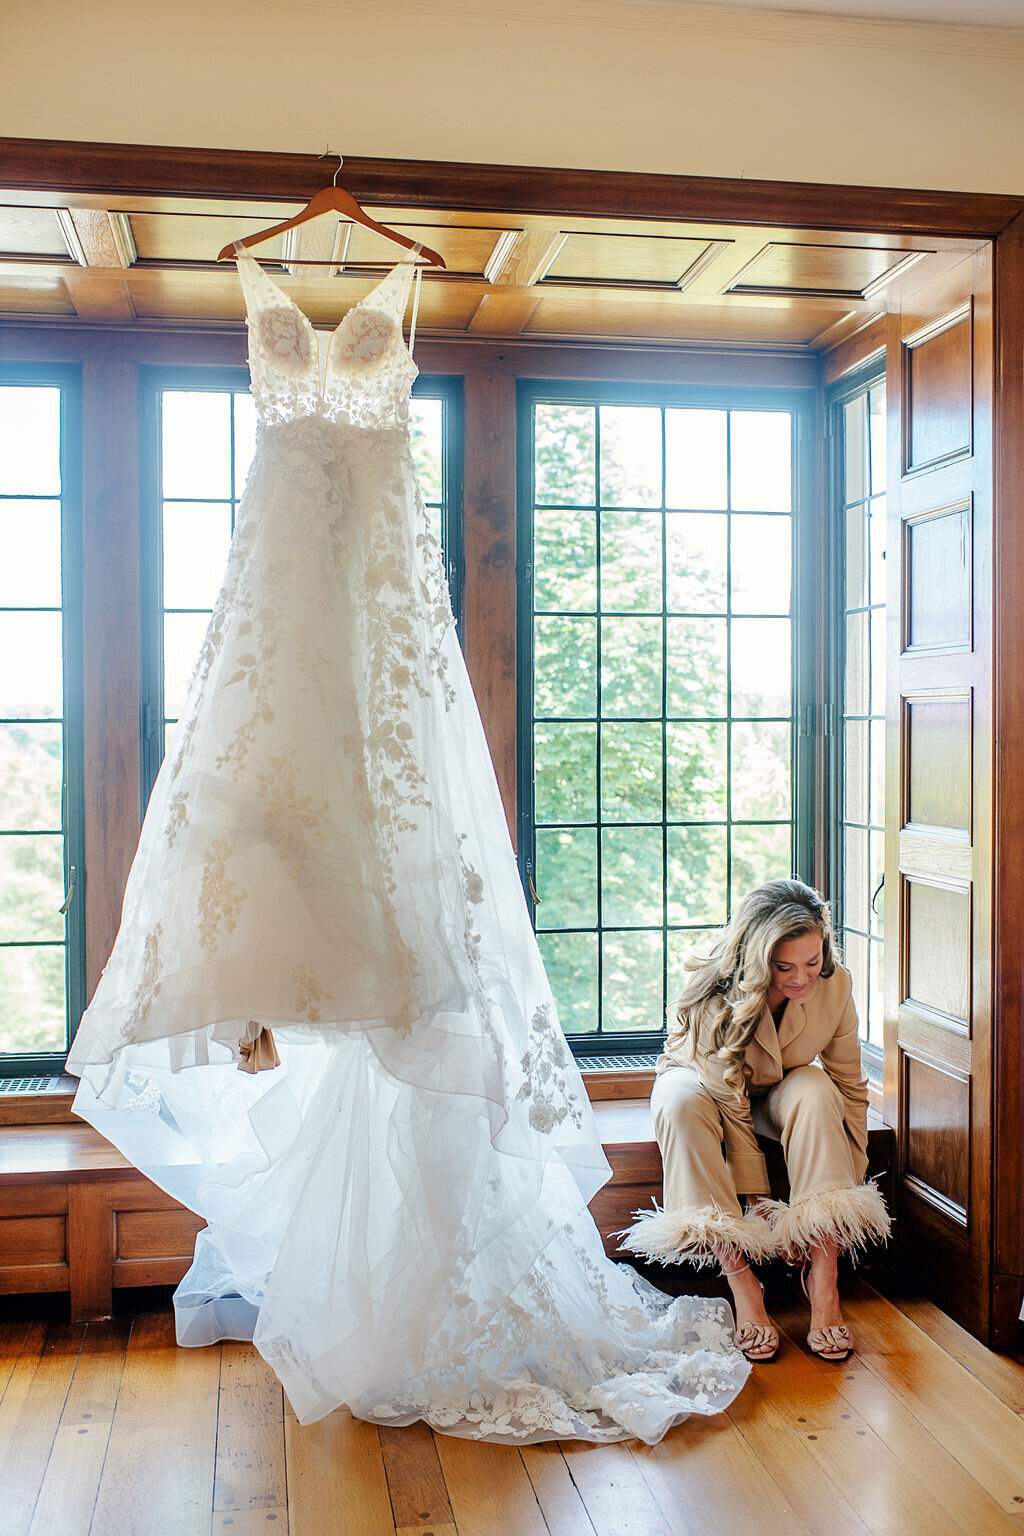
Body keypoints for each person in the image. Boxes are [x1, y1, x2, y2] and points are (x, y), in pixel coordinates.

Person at [621, 879, 890, 1364]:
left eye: (812, 962)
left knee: (815, 1087)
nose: (802, 978)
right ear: (756, 955)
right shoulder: (714, 987)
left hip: (778, 1086)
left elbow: (850, 1084)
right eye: (784, 967)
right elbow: (729, 1099)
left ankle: (823, 1276)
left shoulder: (836, 982)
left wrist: (848, 1181)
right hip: (702, 1085)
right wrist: (758, 1202)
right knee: (682, 1106)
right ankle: (742, 1282)